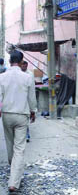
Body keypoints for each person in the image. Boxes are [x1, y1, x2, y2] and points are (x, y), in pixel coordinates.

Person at [0, 50, 37, 192]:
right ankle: (14, 182)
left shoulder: (2, 77)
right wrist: (33, 111)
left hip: (7, 114)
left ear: (10, 61)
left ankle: (14, 171)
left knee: (10, 145)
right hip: (22, 115)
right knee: (19, 148)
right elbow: (32, 98)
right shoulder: (27, 77)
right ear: (21, 62)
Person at [21, 61, 35, 142]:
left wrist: (33, 109)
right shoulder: (18, 74)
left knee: (25, 119)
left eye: (25, 66)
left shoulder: (30, 74)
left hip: (27, 99)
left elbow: (31, 90)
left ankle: (27, 135)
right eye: (23, 65)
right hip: (19, 100)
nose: (24, 67)